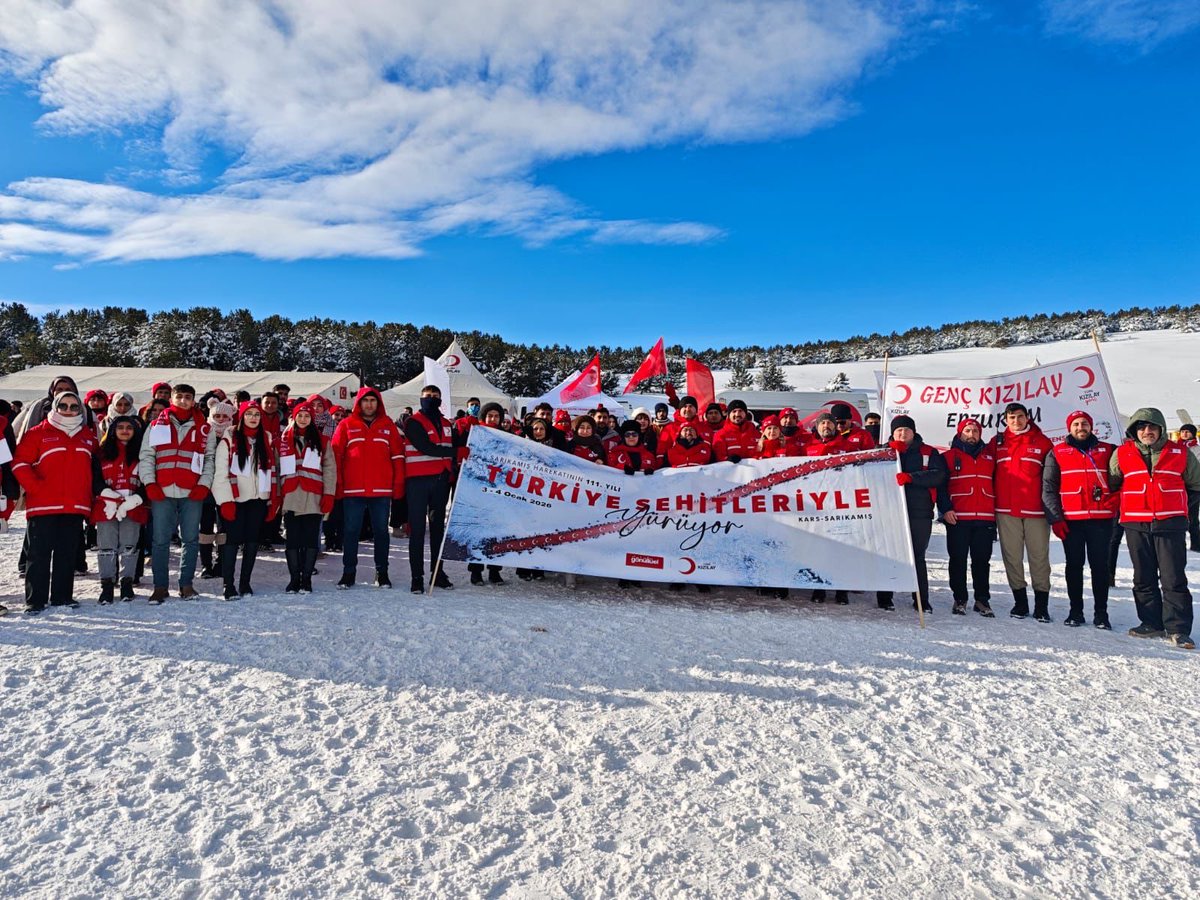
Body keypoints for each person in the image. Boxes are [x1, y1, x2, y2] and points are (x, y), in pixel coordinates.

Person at [1108, 408, 1200, 649]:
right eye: (1141, 427)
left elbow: (1195, 483)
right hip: (1135, 522)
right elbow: (1113, 481)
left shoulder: (1181, 452)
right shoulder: (1122, 453)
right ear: (1134, 430)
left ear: (1160, 429)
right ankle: (1150, 622)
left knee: (1173, 577)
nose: (1146, 431)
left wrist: (1180, 508)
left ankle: (1178, 629)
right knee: (1143, 576)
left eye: (1152, 427)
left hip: (1170, 523)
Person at [12, 390, 98, 614]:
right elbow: (20, 463)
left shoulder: (87, 436)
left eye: (73, 406)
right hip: (43, 505)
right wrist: (36, 487)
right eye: (63, 406)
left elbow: (94, 469)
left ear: (80, 409)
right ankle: (35, 600)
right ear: (55, 407)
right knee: (38, 554)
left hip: (75, 505)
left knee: (66, 553)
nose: (68, 410)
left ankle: (62, 597)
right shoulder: (38, 433)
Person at [138, 384, 215, 604]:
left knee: (190, 539)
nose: (183, 401)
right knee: (160, 540)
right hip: (162, 489)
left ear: (193, 400)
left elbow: (209, 458)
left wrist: (204, 483)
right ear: (171, 399)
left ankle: (186, 584)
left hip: (192, 490)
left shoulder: (204, 428)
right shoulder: (156, 425)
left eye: (187, 397)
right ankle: (160, 586)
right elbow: (147, 456)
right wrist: (149, 482)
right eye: (179, 397)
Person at [1042, 411, 1118, 629]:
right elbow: (1049, 488)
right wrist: (1056, 519)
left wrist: (1117, 498)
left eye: (1084, 423)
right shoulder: (1057, 452)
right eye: (1076, 424)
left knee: (1100, 567)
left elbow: (1121, 479)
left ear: (1091, 426)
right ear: (1069, 427)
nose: (1080, 427)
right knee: (1074, 566)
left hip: (1101, 519)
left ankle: (1101, 613)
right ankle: (1076, 611)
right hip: (1071, 520)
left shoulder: (1109, 449)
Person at [333, 387, 406, 590]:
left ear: (379, 403)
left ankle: (382, 573)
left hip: (381, 490)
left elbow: (398, 456)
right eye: (365, 401)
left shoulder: (388, 426)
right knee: (351, 531)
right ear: (359, 403)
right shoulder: (346, 425)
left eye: (373, 400)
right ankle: (349, 573)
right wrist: (338, 484)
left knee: (381, 532)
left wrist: (398, 483)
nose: (369, 404)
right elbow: (336, 456)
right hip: (352, 490)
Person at [989, 402, 1053, 621]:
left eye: (1019, 417)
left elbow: (1053, 477)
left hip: (1036, 512)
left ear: (1027, 417)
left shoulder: (1043, 443)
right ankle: (1021, 603)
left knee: (1039, 558)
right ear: (1005, 420)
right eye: (1011, 418)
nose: (1016, 421)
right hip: (1006, 510)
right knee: (1012, 558)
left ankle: (1042, 605)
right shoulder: (997, 443)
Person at [878, 415, 948, 613]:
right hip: (890, 511)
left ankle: (920, 599)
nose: (902, 433)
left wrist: (912, 477)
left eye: (906, 430)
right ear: (892, 433)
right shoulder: (883, 452)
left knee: (917, 556)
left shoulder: (928, 452)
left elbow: (938, 475)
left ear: (913, 432)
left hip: (919, 511)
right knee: (889, 554)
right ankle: (885, 597)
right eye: (898, 430)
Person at [212, 401, 279, 599]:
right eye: (249, 414)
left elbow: (272, 469)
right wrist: (225, 501)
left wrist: (271, 499)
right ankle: (228, 583)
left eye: (256, 415)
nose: (253, 418)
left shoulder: (265, 438)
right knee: (231, 542)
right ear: (241, 417)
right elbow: (221, 473)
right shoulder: (229, 439)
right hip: (235, 499)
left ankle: (245, 582)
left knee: (252, 541)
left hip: (258, 499)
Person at [403, 385, 457, 593]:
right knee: (417, 530)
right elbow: (426, 447)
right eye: (427, 396)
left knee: (438, 530)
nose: (431, 399)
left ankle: (438, 573)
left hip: (440, 480)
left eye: (435, 396)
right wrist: (457, 452)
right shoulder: (413, 422)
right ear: (421, 399)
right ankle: (417, 577)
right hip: (418, 481)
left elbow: (453, 443)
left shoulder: (445, 423)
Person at [940, 418, 997, 616]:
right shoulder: (948, 456)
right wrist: (945, 509)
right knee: (958, 559)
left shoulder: (990, 456)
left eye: (975, 431)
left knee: (982, 560)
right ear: (959, 433)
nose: (971, 435)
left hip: (985, 517)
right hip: (958, 517)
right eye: (967, 431)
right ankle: (960, 598)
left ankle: (982, 600)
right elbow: (941, 487)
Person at [279, 400, 337, 594]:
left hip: (313, 495)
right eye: (300, 416)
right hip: (291, 495)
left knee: (311, 539)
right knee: (293, 539)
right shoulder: (283, 440)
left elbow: (329, 469)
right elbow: (277, 469)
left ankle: (306, 579)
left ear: (312, 419)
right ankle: (294, 578)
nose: (303, 419)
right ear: (294, 418)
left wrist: (329, 494)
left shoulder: (322, 441)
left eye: (307, 416)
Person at [92, 415, 148, 604]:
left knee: (129, 545)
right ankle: (107, 584)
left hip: (132, 505)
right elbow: (94, 479)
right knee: (106, 546)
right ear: (113, 430)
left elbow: (148, 479)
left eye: (129, 427)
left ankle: (127, 582)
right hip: (106, 505)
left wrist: (137, 498)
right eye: (120, 427)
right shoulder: (100, 453)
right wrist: (107, 494)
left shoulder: (142, 453)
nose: (125, 430)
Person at [466, 403, 509, 587]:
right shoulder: (476, 434)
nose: (493, 419)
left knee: (497, 531)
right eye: (489, 416)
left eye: (496, 416)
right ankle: (476, 570)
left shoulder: (508, 438)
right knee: (477, 530)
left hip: (498, 489)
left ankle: (494, 570)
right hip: (478, 487)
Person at [198, 397, 235, 579]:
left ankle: (221, 561)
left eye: (224, 416)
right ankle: (206, 564)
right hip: (205, 487)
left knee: (224, 527)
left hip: (226, 488)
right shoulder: (203, 433)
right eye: (217, 415)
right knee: (205, 527)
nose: (220, 419)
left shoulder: (235, 434)